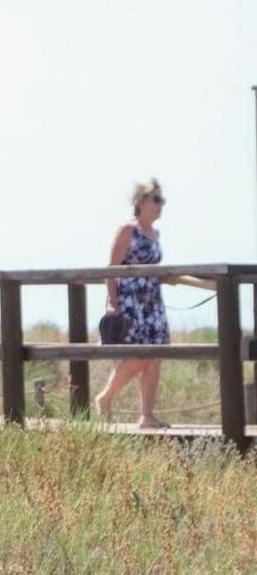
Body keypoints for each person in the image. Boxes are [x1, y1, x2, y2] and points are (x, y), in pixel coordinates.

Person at [95, 181, 172, 429]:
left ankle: (146, 415)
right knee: (139, 354)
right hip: (131, 300)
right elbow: (111, 269)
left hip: (153, 302)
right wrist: (113, 303)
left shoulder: (155, 234)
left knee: (156, 355)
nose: (161, 205)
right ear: (141, 201)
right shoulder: (128, 230)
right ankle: (106, 397)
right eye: (156, 199)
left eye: (162, 200)